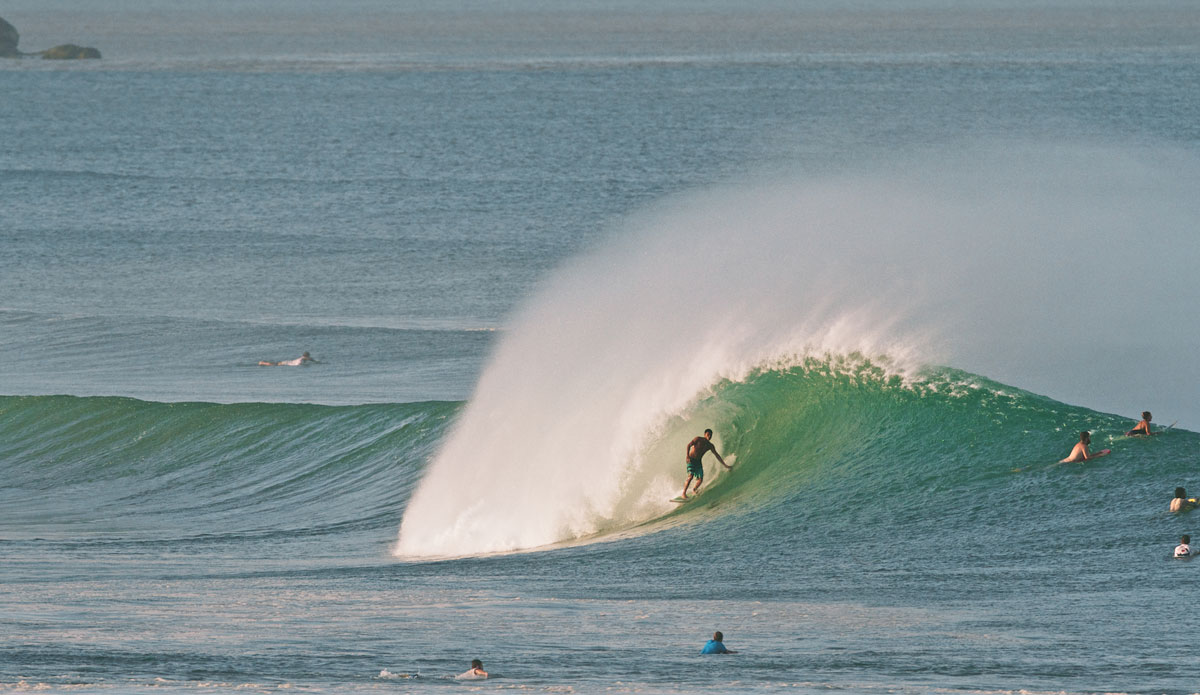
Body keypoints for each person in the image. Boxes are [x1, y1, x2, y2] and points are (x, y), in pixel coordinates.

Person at [681, 428, 731, 499]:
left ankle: (694, 490)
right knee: (691, 476)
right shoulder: (698, 439)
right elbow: (688, 445)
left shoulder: (710, 445)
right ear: (704, 435)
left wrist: (725, 465)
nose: (709, 436)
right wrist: (687, 456)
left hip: (698, 462)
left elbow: (717, 455)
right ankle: (683, 493)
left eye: (710, 435)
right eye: (708, 435)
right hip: (691, 460)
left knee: (700, 479)